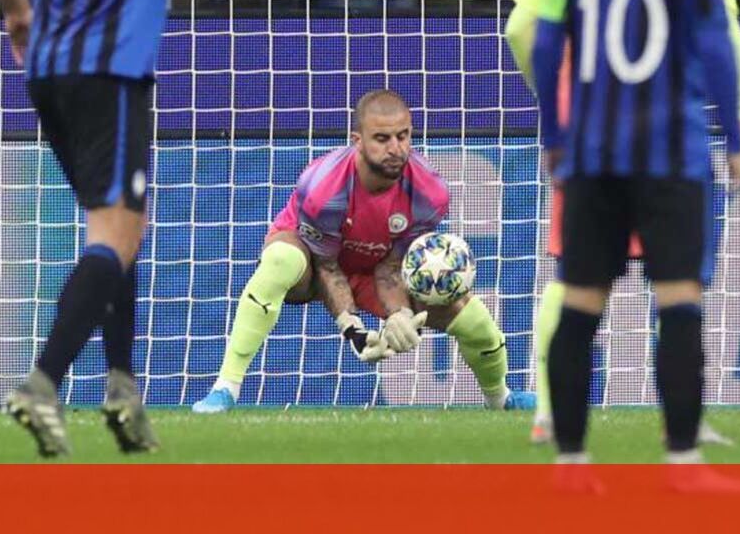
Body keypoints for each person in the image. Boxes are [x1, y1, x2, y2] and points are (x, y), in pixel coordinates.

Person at [0, 0, 295, 457]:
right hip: (111, 71)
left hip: (47, 70)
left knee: (121, 228)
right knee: (114, 234)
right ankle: (42, 383)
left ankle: (123, 389)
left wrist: (16, 7)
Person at [531, 0, 740, 488]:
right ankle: (682, 459)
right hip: (670, 152)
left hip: (593, 151)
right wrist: (735, 135)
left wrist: (553, 134)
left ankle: (571, 460)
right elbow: (714, 44)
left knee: (580, 302)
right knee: (678, 299)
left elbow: (546, 39)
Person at [192, 90, 536, 412]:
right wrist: (352, 328)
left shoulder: (429, 192)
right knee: (282, 260)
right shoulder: (323, 189)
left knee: (472, 317)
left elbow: (392, 266)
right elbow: (327, 266)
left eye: (403, 136)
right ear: (357, 140)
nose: (396, 148)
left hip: (375, 267)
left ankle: (500, 398)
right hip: (312, 264)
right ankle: (225, 388)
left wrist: (400, 314)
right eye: (382, 139)